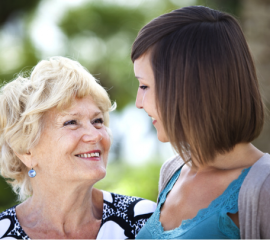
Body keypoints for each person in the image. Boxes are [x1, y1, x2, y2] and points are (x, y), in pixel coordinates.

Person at [131, 6, 270, 240]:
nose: (138, 102)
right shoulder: (172, 171)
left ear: (187, 88)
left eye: (144, 86)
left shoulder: (264, 187)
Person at [0, 56, 156, 240]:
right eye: (71, 122)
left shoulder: (145, 221)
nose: (96, 135)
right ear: (27, 151)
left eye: (97, 121)